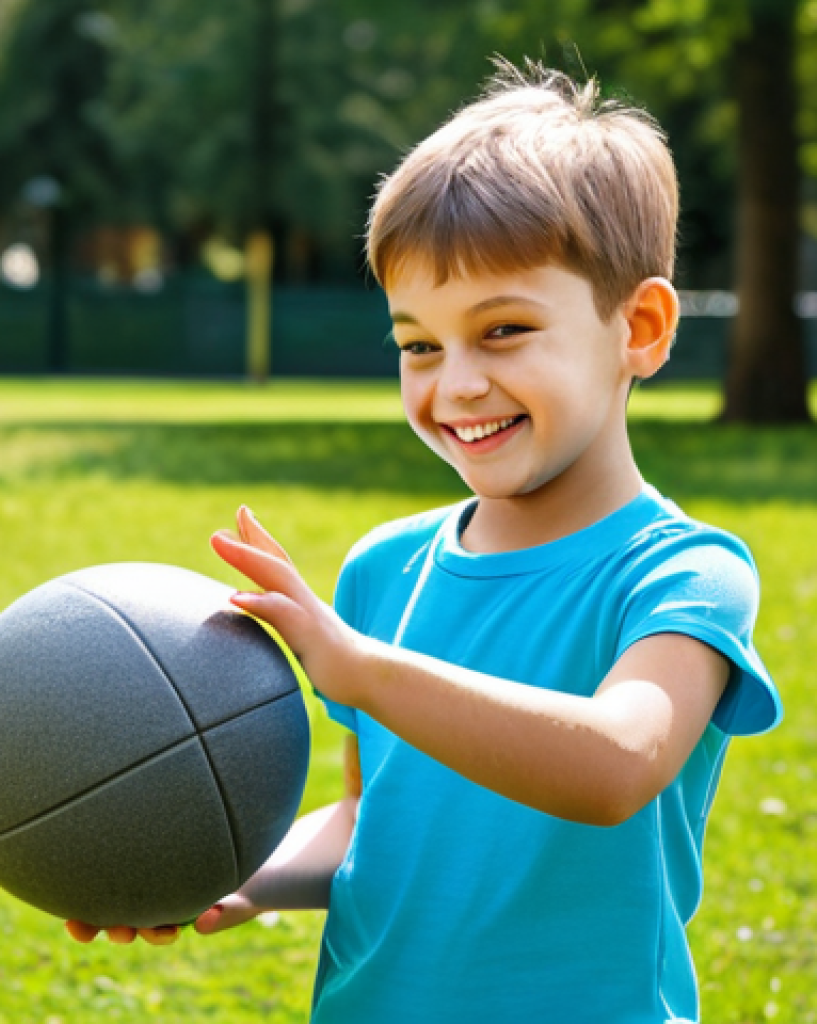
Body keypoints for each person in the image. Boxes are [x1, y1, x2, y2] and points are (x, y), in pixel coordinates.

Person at [67, 59, 781, 1023]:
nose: (457, 386)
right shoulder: (383, 570)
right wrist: (239, 871)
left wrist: (364, 671)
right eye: (420, 345)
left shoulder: (681, 574)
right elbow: (377, 822)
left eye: (504, 330)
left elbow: (618, 764)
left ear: (641, 329)